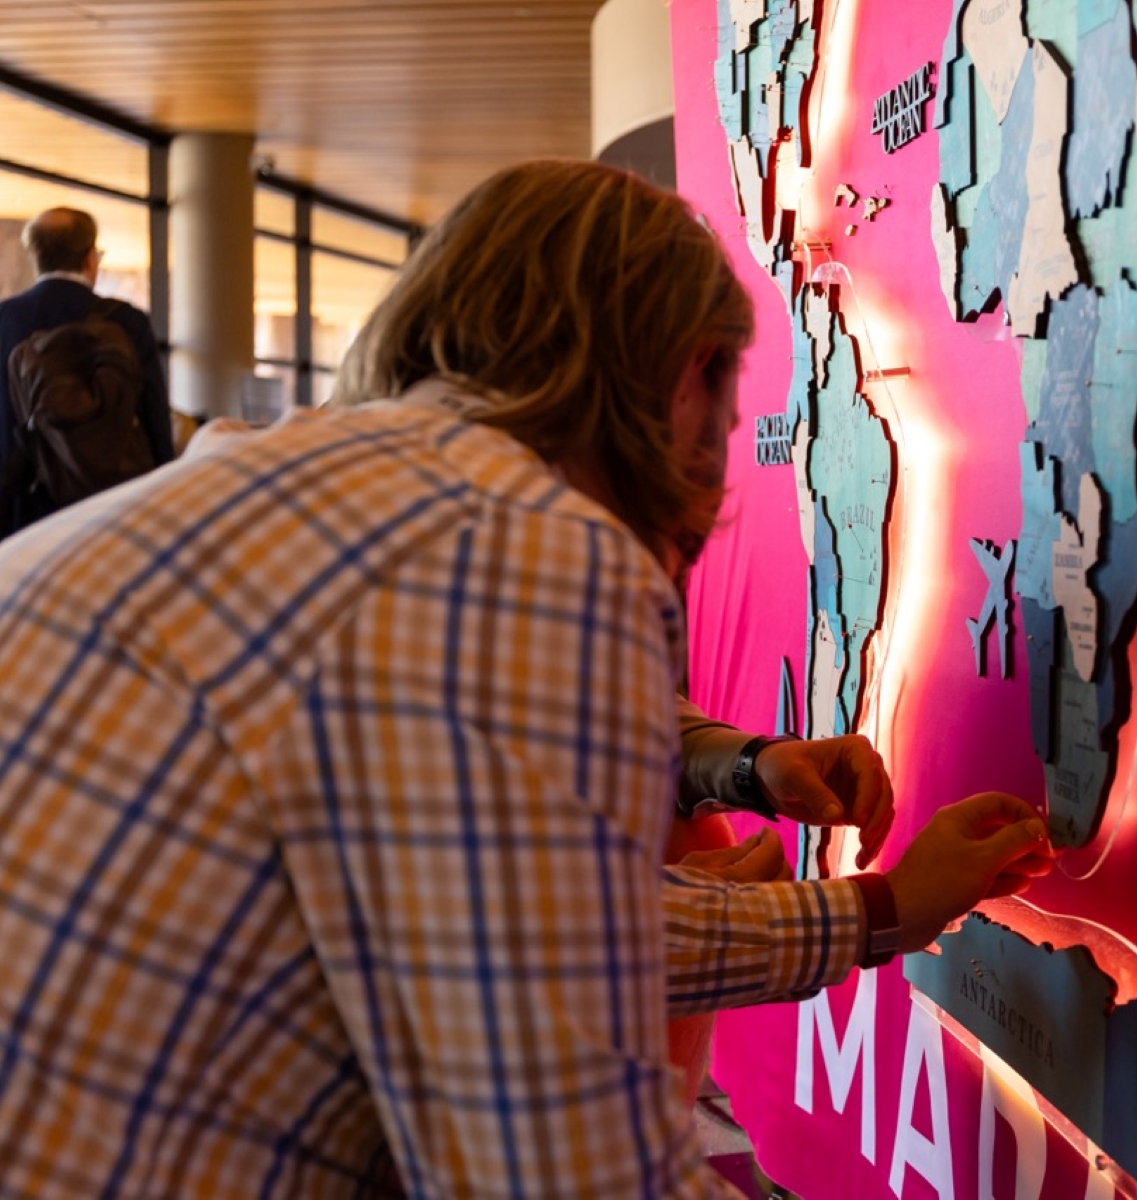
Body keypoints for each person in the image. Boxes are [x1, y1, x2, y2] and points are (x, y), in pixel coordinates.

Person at [0, 159, 1052, 1198]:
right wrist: (870, 911)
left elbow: (508, 952)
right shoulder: (521, 541)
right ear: (686, 379)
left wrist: (872, 907)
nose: (716, 484)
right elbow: (563, 1153)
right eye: (727, 429)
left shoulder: (296, 485)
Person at [0, 207, 174, 533]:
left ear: (36, 257)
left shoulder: (6, 319)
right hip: (111, 498)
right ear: (90, 257)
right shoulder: (125, 321)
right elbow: (154, 417)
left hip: (27, 501)